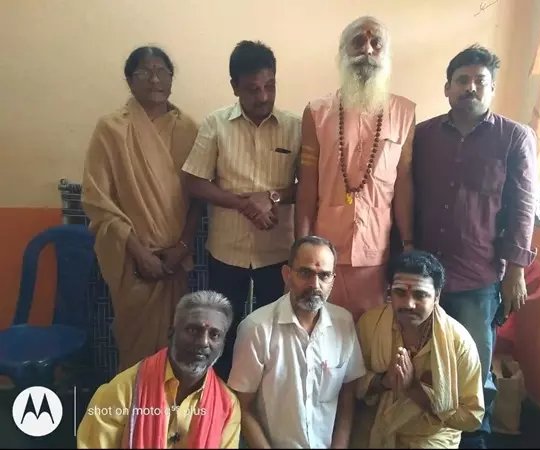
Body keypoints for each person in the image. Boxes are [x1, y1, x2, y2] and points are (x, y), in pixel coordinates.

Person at [412, 44, 538, 448]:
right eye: (462, 80)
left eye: (480, 81)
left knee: (474, 371)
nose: (470, 88)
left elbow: (523, 206)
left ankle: (473, 442)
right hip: (424, 276)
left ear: (492, 89)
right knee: (424, 363)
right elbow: (408, 195)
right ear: (447, 88)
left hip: (478, 277)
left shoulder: (514, 137)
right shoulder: (423, 135)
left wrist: (516, 270)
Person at [182, 40, 301, 380]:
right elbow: (193, 181)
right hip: (225, 252)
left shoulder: (295, 126)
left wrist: (272, 197)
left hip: (278, 253)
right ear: (234, 86)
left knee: (273, 334)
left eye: (270, 86)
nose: (263, 96)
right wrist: (244, 203)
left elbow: (308, 184)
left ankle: (264, 403)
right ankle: (221, 402)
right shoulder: (215, 125)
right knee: (219, 331)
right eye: (252, 89)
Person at [81, 46, 201, 372]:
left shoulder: (190, 129)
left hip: (175, 262)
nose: (154, 79)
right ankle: (134, 415)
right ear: (129, 81)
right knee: (136, 354)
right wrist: (138, 253)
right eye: (144, 72)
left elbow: (198, 197)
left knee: (176, 345)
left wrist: (182, 247)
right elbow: (97, 201)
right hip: (132, 261)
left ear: (172, 79)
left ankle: (166, 416)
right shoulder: (111, 129)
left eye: (162, 71)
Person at [295, 16, 416, 322]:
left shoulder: (404, 112)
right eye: (358, 42)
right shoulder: (316, 112)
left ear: (386, 55)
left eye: (376, 43)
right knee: (322, 333)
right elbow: (307, 185)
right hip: (324, 254)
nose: (367, 50)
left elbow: (403, 184)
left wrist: (410, 243)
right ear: (342, 52)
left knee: (369, 338)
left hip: (377, 252)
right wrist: (300, 249)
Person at [227, 236, 366, 448]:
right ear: (287, 275)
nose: (314, 284)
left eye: (324, 276)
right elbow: (242, 407)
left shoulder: (343, 323)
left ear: (333, 279)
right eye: (305, 273)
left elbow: (348, 396)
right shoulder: (257, 327)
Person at [352, 251, 484, 448]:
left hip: (429, 435)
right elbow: (351, 384)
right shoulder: (370, 324)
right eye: (400, 292)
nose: (409, 304)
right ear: (390, 292)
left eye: (420, 295)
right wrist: (385, 381)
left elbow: (472, 417)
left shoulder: (459, 342)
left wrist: (414, 389)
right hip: (375, 422)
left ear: (437, 296)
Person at [77, 291, 241, 448]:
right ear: (171, 333)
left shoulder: (227, 405)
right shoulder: (123, 391)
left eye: (214, 335)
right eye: (193, 330)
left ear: (223, 345)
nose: (203, 342)